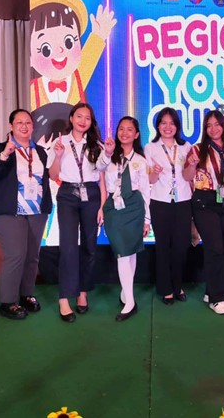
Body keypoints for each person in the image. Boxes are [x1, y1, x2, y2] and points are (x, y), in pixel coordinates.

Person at [0, 109, 52, 320]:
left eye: (28, 122)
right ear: (11, 126)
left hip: (37, 211)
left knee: (32, 255)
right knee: (16, 254)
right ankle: (7, 302)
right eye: (19, 122)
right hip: (9, 211)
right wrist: (4, 155)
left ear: (33, 126)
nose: (24, 126)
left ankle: (26, 294)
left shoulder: (40, 151)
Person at [29, 0, 116, 143]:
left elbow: (91, 54)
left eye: (69, 42)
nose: (60, 51)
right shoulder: (32, 90)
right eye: (46, 48)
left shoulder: (78, 78)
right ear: (30, 58)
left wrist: (98, 34)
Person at [48, 103, 106, 323]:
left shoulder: (97, 146)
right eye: (79, 116)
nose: (83, 121)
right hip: (68, 195)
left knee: (90, 247)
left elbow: (102, 179)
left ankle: (83, 292)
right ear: (71, 118)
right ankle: (64, 298)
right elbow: (53, 175)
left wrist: (102, 206)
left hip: (91, 195)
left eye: (87, 118)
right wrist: (58, 156)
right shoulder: (60, 142)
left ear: (91, 122)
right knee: (68, 246)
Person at [183, 108, 224, 316]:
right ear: (204, 129)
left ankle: (210, 290)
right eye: (209, 125)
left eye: (217, 124)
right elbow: (187, 176)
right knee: (214, 248)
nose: (213, 129)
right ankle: (218, 298)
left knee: (221, 249)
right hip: (204, 202)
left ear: (223, 126)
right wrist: (191, 165)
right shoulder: (197, 149)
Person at [97, 116, 151, 321]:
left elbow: (145, 191)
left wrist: (147, 219)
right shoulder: (109, 155)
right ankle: (130, 299)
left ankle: (127, 296)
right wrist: (107, 152)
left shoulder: (141, 161)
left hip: (134, 207)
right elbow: (98, 169)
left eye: (130, 129)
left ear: (136, 135)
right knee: (122, 252)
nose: (125, 133)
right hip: (114, 208)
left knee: (131, 251)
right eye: (121, 129)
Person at [144, 108, 193, 305]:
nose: (167, 127)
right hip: (160, 202)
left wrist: (193, 165)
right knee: (163, 247)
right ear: (158, 126)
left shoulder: (186, 147)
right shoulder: (150, 148)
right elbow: (150, 179)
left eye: (172, 123)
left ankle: (178, 285)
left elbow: (189, 176)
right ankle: (166, 289)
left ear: (177, 126)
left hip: (183, 201)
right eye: (163, 123)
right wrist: (155, 172)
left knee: (181, 246)